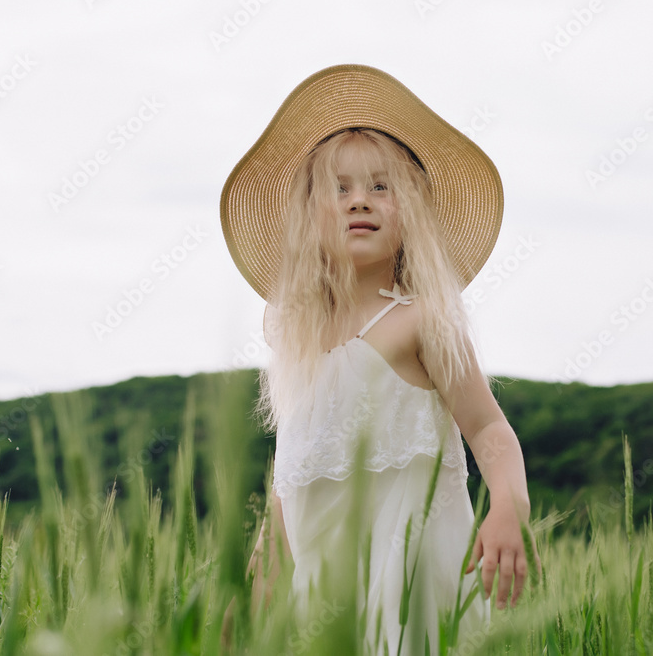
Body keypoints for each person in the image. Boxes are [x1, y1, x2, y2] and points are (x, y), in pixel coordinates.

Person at [220, 64, 537, 654]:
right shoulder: (297, 348)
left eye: (380, 187)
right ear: (310, 217)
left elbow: (487, 424)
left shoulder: (421, 320)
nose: (358, 201)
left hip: (413, 586)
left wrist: (509, 505)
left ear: (410, 210)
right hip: (323, 601)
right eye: (338, 189)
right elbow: (290, 485)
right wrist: (256, 594)